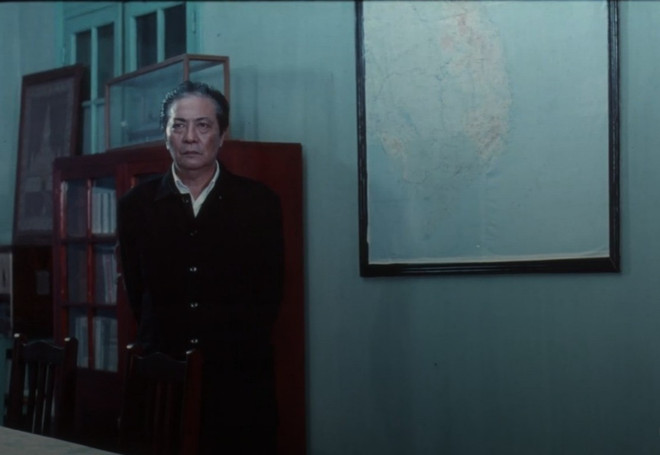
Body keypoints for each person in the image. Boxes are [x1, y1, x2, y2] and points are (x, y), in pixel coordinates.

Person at [117, 80, 284, 454]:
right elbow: (138, 293)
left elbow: (270, 296)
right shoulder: (136, 206)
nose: (190, 137)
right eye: (178, 125)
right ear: (165, 135)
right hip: (162, 384)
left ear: (222, 135)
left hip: (238, 383)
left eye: (203, 126)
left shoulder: (259, 204)